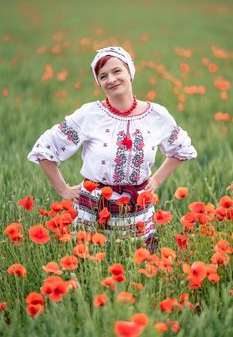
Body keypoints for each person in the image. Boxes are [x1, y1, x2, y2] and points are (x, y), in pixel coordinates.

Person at [28, 46, 197, 252]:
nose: (111, 79)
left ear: (130, 72)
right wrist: (62, 189)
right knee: (91, 271)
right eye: (103, 75)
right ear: (98, 82)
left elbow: (181, 149)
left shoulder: (157, 115)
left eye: (117, 71)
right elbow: (46, 147)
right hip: (93, 211)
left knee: (140, 271)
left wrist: (157, 180)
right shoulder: (90, 115)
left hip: (138, 211)